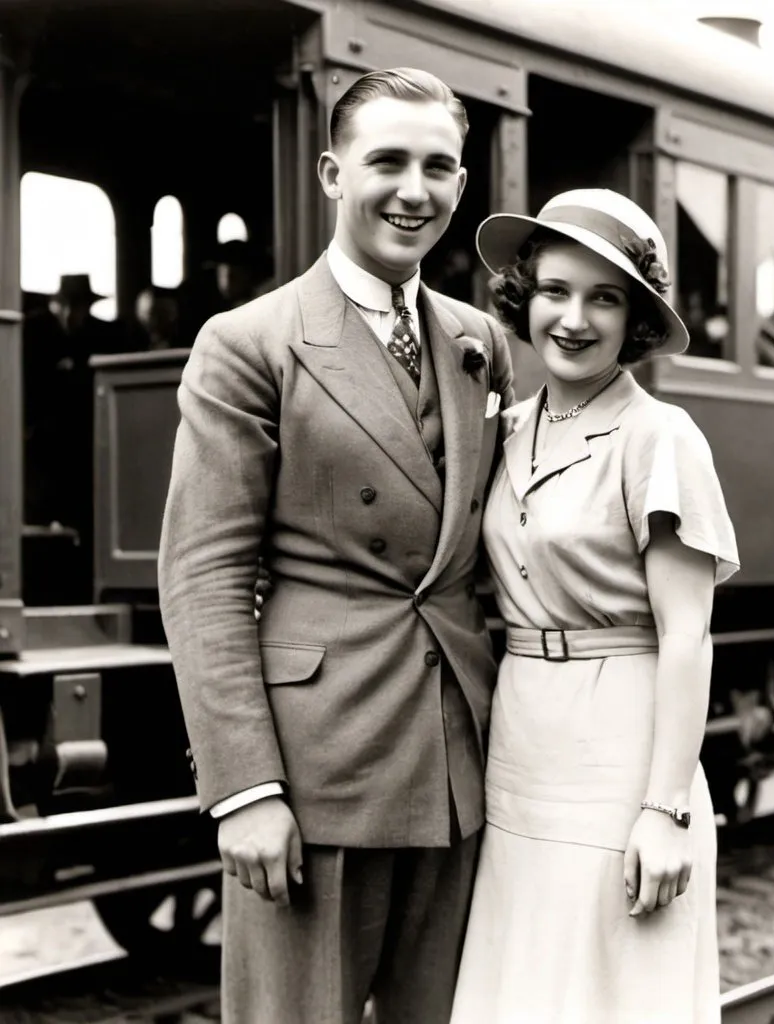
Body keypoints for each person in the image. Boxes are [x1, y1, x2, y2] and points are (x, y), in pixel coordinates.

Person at [157, 67, 514, 1024]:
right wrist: (243, 790)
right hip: (319, 769)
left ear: (462, 185)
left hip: (455, 760)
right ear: (330, 172)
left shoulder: (480, 340)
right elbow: (204, 577)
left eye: (439, 166)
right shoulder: (250, 343)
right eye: (386, 161)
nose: (414, 190)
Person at [450, 189, 740, 1024]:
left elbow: (688, 636)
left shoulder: (663, 438)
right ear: (524, 298)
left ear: (635, 319)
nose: (573, 319)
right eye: (554, 291)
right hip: (523, 744)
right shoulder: (504, 431)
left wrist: (666, 808)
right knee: (526, 985)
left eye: (603, 298)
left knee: (614, 991)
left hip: (621, 749)